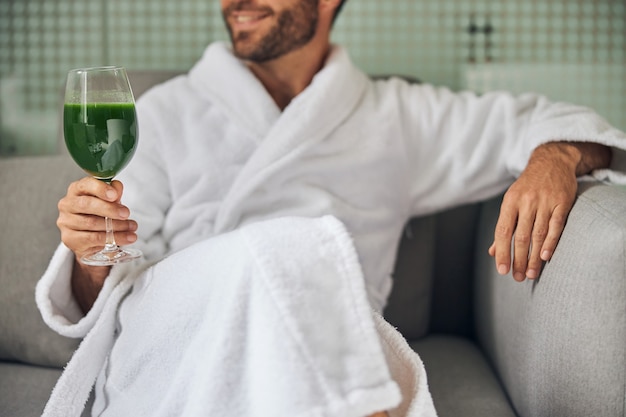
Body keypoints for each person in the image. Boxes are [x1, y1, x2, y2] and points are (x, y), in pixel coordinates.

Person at [39, 0, 625, 416]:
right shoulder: (166, 113)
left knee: (301, 253)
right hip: (186, 339)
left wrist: (556, 156)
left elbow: (545, 122)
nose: (233, 2)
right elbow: (108, 288)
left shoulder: (396, 117)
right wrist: (90, 256)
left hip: (330, 336)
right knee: (288, 246)